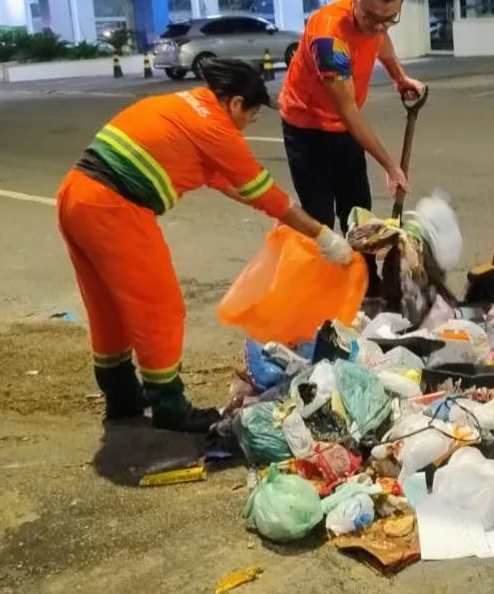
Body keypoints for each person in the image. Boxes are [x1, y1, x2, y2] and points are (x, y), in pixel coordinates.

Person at [57, 58, 354, 433]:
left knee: (107, 306)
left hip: (75, 195)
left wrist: (287, 220)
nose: (249, 124)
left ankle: (120, 395)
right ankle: (169, 407)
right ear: (234, 103)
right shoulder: (216, 128)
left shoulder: (186, 106)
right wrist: (323, 236)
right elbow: (268, 196)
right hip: (115, 206)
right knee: (160, 307)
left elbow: (229, 183)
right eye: (251, 115)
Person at [278, 0, 427, 295]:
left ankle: (365, 283)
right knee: (320, 215)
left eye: (389, 17)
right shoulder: (329, 35)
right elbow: (346, 111)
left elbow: (380, 40)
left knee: (357, 210)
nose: (378, 25)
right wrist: (390, 165)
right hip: (306, 124)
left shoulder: (376, 19)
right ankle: (322, 287)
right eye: (371, 16)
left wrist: (398, 76)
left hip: (341, 124)